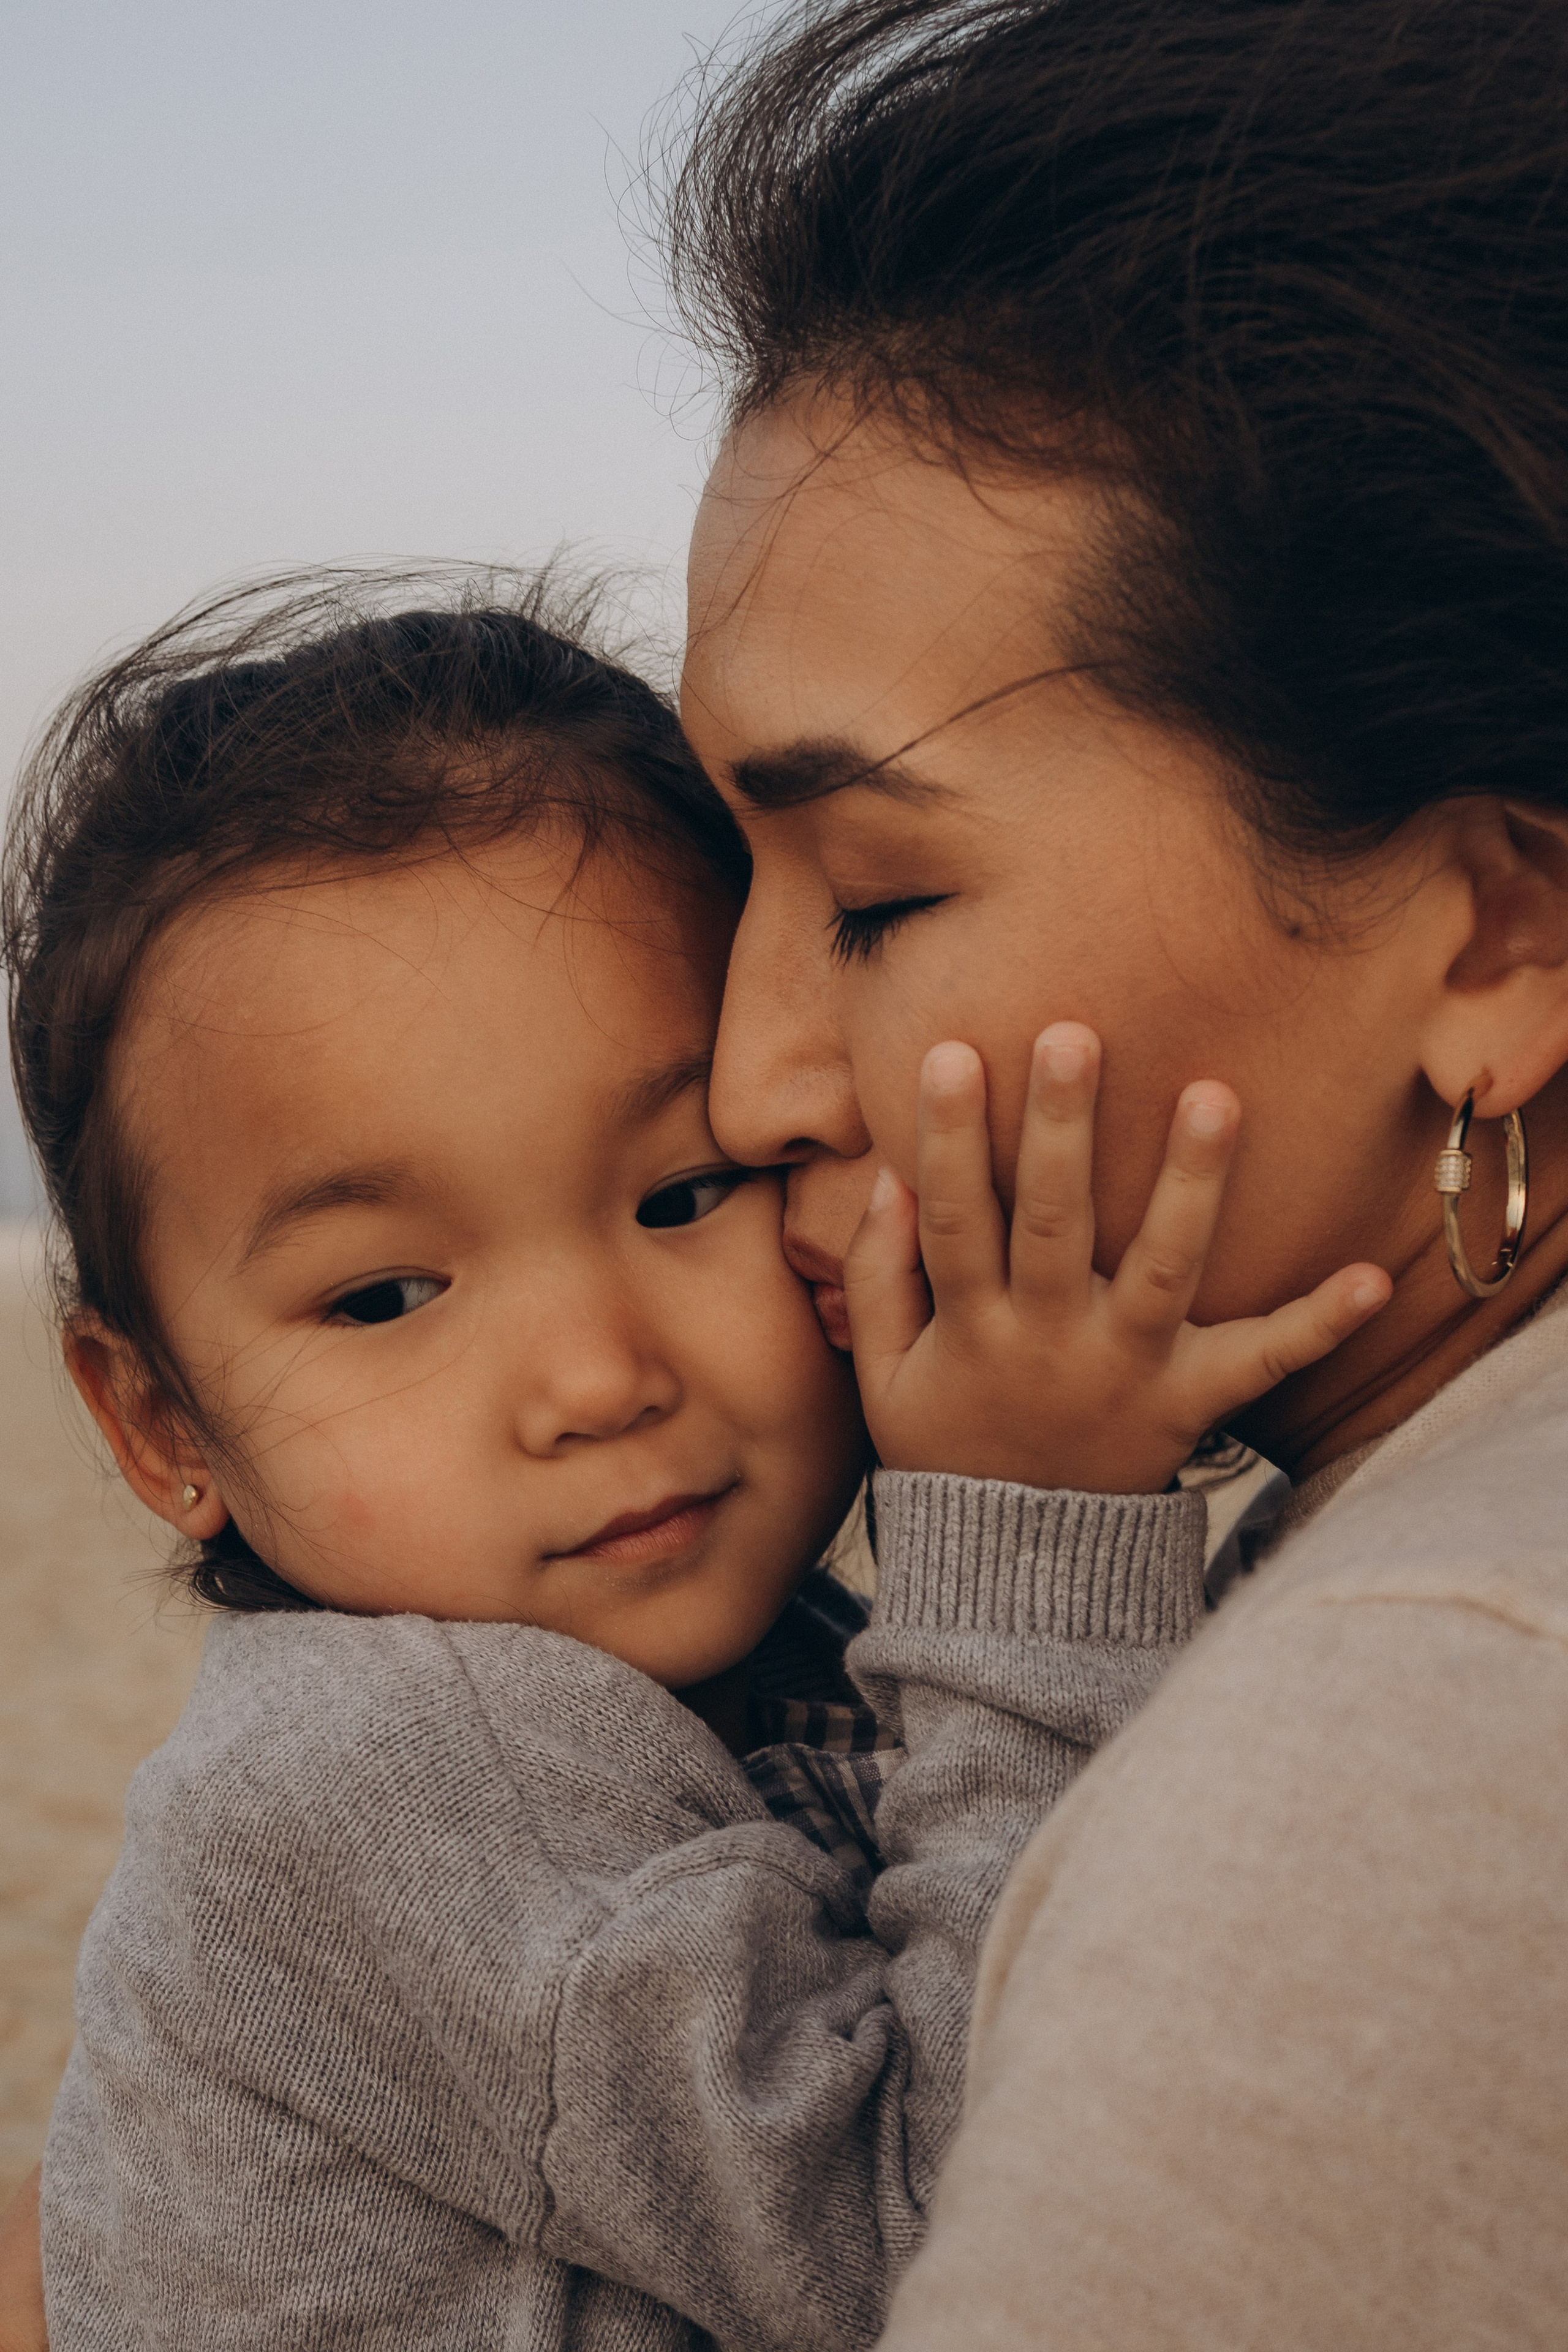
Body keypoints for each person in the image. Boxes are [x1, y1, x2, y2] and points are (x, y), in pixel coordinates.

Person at [4, 573, 1376, 2350]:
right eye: (385, 1297)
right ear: (161, 1426)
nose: (595, 1379)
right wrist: (1038, 1530)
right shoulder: (372, 1786)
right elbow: (972, 2239)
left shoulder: (745, 1666)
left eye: (681, 1194)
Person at [669, 0, 1568, 2339]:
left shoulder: (1417, 1736)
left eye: (878, 897)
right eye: (731, 885)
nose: (749, 1084)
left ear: (1501, 939)